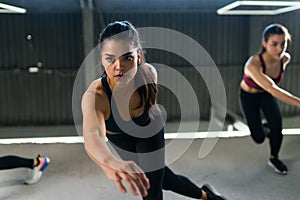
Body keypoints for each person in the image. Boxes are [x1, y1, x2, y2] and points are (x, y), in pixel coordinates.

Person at [81, 21, 227, 200]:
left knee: (151, 189)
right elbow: (92, 136)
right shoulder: (96, 96)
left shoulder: (149, 74)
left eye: (127, 57)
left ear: (139, 56)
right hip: (123, 141)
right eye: (110, 58)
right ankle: (208, 196)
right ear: (102, 59)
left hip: (150, 129)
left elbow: (150, 106)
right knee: (165, 178)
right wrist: (110, 163)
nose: (119, 67)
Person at [239, 23, 300, 175]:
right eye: (274, 44)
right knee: (258, 137)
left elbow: (270, 90)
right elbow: (272, 88)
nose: (280, 49)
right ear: (264, 43)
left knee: (278, 127)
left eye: (283, 44)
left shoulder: (284, 59)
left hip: (266, 96)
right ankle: (264, 128)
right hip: (249, 97)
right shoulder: (253, 64)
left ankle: (274, 158)